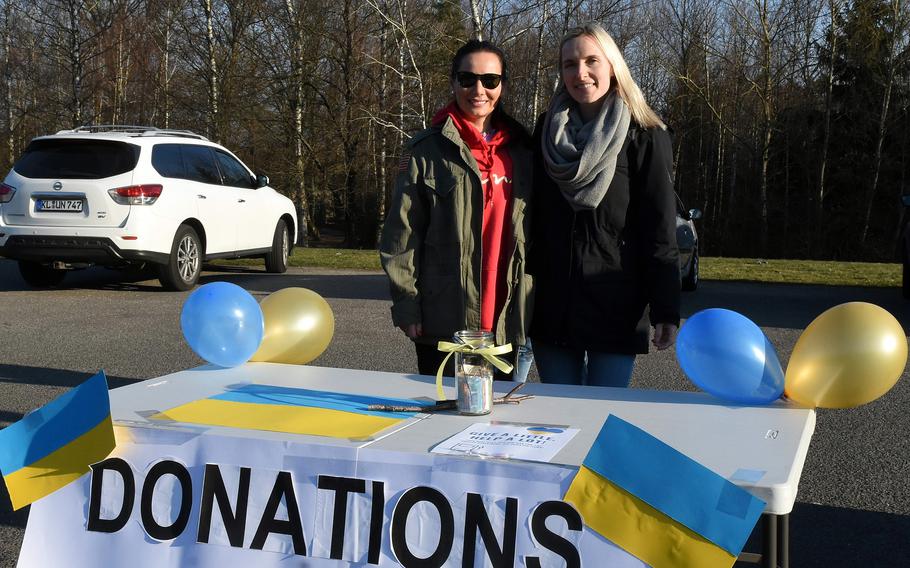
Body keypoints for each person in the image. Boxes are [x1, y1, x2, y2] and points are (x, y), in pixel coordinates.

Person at [530, 23, 680, 388]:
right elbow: (531, 218)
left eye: (590, 60)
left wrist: (666, 309)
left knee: (600, 417)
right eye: (569, 64)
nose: (579, 73)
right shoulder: (545, 131)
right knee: (558, 419)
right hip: (552, 304)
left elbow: (659, 228)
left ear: (612, 65)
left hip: (615, 303)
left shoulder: (646, 135)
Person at [379, 39, 533, 380]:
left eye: (490, 80)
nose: (479, 89)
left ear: (502, 85)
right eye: (468, 79)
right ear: (453, 83)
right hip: (444, 320)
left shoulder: (523, 151)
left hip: (507, 322)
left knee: (501, 426)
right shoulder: (424, 151)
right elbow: (402, 234)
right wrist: (406, 304)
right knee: (444, 419)